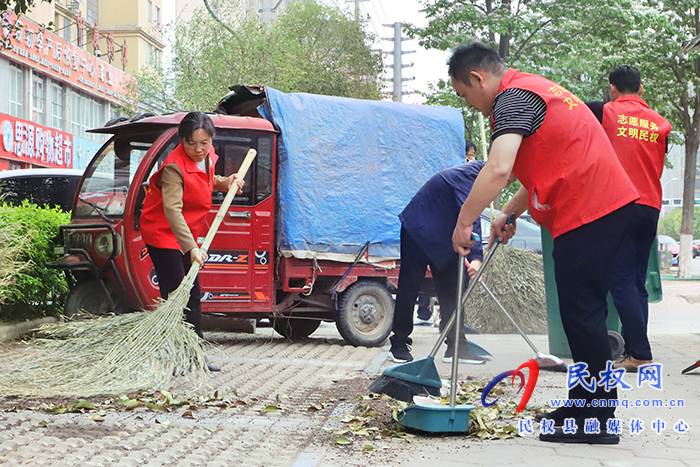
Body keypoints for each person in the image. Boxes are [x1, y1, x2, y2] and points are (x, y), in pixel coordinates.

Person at [448, 42, 640, 444]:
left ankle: (598, 420)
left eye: (466, 95)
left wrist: (465, 221)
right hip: (597, 207)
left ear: (478, 79)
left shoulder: (512, 98)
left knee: (583, 314)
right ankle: (583, 403)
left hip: (592, 209)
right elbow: (546, 164)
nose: (471, 105)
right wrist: (510, 212)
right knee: (578, 314)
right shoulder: (535, 90)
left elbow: (498, 169)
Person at [140, 111, 244, 372]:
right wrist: (192, 248)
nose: (198, 149)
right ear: (181, 139)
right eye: (192, 143)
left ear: (212, 140)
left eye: (204, 143)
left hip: (186, 234)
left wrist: (227, 181)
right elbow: (172, 210)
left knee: (193, 294)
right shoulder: (173, 167)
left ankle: (195, 353)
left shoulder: (207, 158)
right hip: (163, 233)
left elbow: (206, 181)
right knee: (176, 296)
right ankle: (174, 356)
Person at [586, 66, 671, 372]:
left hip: (618, 204)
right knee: (636, 282)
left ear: (612, 89)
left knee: (620, 281)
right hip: (650, 206)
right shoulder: (661, 123)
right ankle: (637, 350)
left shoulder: (604, 113)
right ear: (641, 89)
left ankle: (641, 352)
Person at [389, 160, 486, 365]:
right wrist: (476, 257)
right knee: (410, 285)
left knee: (452, 289)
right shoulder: (471, 176)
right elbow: (470, 216)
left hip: (445, 235)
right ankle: (398, 343)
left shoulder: (485, 178)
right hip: (418, 228)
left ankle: (456, 346)